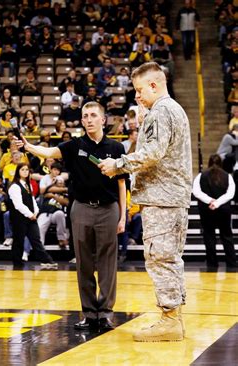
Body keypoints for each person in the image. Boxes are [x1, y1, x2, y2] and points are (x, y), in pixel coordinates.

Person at [98, 62, 192, 342]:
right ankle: (173, 317)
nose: (136, 96)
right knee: (167, 257)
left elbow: (152, 152)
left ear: (154, 85)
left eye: (139, 90)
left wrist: (120, 163)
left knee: (160, 257)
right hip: (170, 196)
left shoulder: (162, 110)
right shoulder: (167, 110)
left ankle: (170, 319)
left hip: (163, 197)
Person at [16, 101, 127, 332]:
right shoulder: (74, 145)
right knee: (84, 263)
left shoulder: (116, 149)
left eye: (93, 115)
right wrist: (28, 147)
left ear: (103, 119)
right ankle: (89, 313)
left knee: (107, 263)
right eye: (85, 115)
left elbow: (121, 185)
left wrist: (123, 216)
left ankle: (105, 314)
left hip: (109, 209)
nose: (88, 119)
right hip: (81, 208)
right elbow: (48, 152)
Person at [7, 163, 57, 268]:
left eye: (27, 170)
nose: (25, 172)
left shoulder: (28, 184)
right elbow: (18, 205)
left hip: (31, 217)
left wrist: (36, 211)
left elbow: (32, 199)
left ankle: (47, 260)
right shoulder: (14, 186)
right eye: (22, 170)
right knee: (18, 241)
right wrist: (30, 214)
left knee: (36, 239)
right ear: (18, 172)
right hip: (19, 218)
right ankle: (17, 263)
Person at [193, 155, 237, 268]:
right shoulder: (227, 176)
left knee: (209, 237)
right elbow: (230, 194)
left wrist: (210, 201)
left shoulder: (200, 176)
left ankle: (212, 263)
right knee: (227, 237)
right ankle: (231, 263)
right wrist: (217, 203)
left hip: (206, 210)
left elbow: (196, 192)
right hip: (223, 211)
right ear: (221, 163)